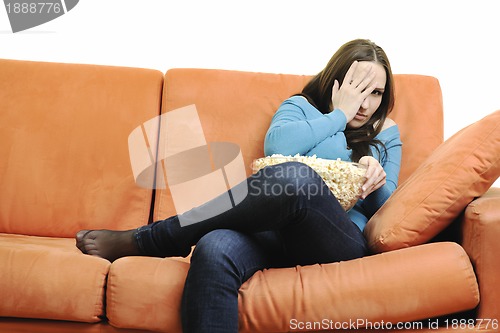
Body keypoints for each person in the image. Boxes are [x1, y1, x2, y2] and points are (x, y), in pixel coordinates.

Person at [76, 38, 402, 333]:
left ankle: (158, 238)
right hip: (273, 235)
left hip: (335, 239)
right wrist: (339, 115)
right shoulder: (301, 107)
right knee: (215, 247)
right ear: (337, 81)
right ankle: (169, 238)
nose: (365, 103)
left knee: (298, 177)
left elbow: (388, 208)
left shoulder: (386, 133)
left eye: (376, 93)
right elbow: (278, 147)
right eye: (358, 88)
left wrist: (373, 179)